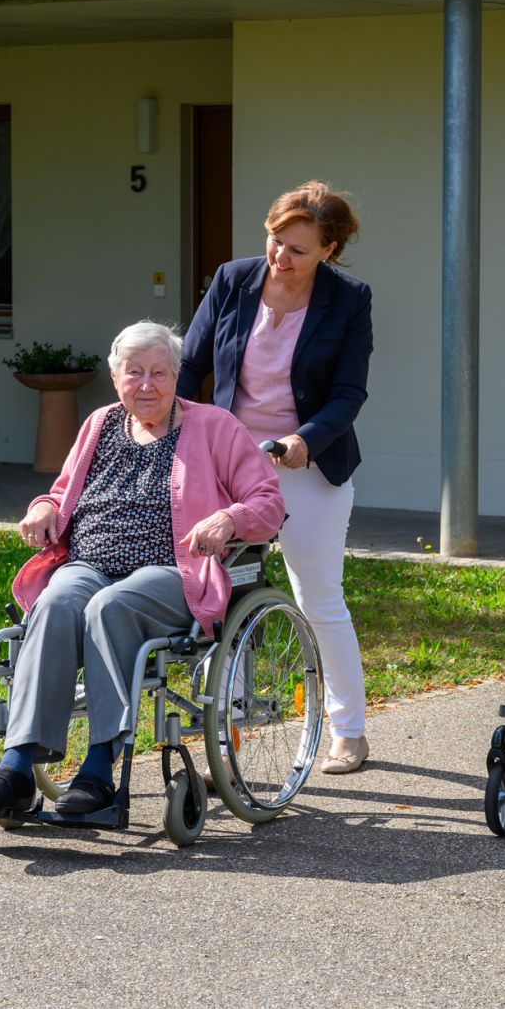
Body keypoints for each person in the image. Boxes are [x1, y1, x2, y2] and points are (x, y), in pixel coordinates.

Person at [0, 321, 285, 819]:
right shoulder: (99, 424)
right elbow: (63, 491)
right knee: (54, 603)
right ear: (115, 377)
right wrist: (45, 507)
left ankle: (97, 769)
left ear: (178, 375)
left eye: (159, 372)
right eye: (134, 373)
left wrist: (226, 518)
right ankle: (17, 765)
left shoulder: (214, 427)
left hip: (171, 570)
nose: (146, 384)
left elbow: (267, 501)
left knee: (111, 606)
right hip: (89, 562)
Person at [178, 181, 375, 774]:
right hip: (230, 465)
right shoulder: (233, 279)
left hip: (307, 466)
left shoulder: (349, 299)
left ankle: (349, 731)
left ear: (329, 250)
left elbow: (348, 393)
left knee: (319, 598)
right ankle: (229, 727)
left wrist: (302, 441)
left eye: (297, 249)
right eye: (274, 240)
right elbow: (191, 363)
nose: (279, 257)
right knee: (222, 597)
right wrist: (174, 442)